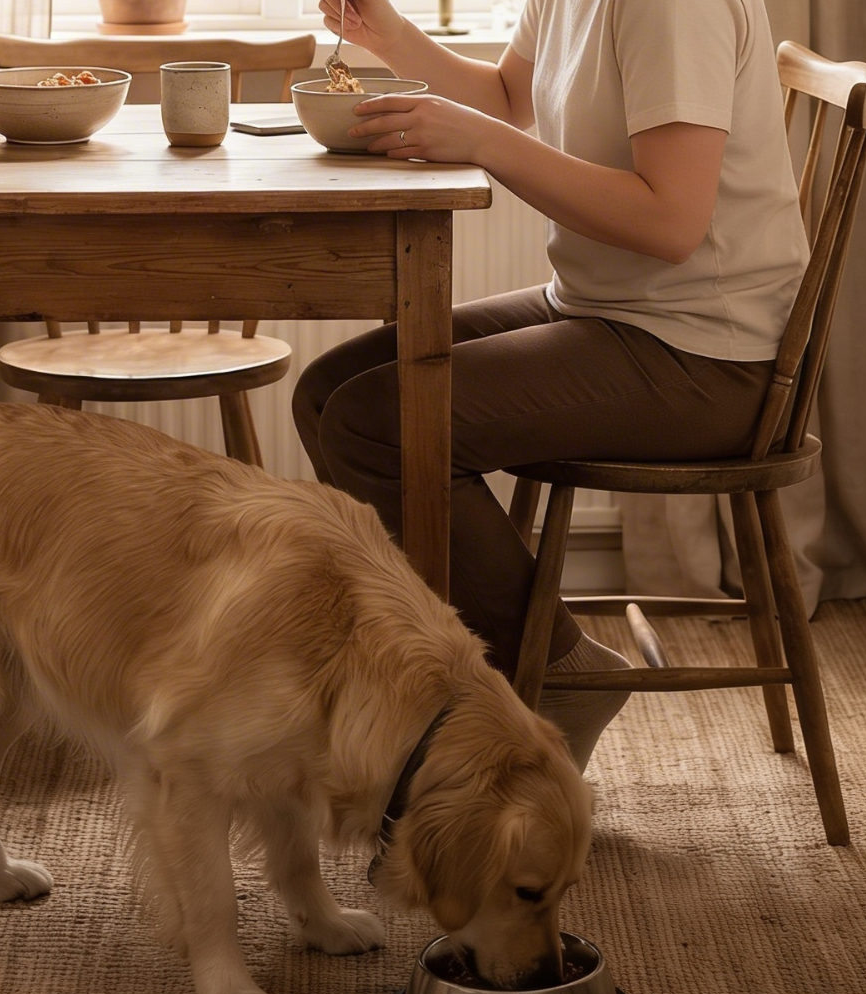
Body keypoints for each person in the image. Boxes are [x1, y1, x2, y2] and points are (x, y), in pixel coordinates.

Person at [292, 0, 810, 770]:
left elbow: (672, 222)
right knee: (330, 394)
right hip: (612, 311)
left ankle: (544, 676)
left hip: (708, 354)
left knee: (376, 423)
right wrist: (393, 36)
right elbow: (507, 96)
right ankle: (499, 669)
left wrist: (484, 145)